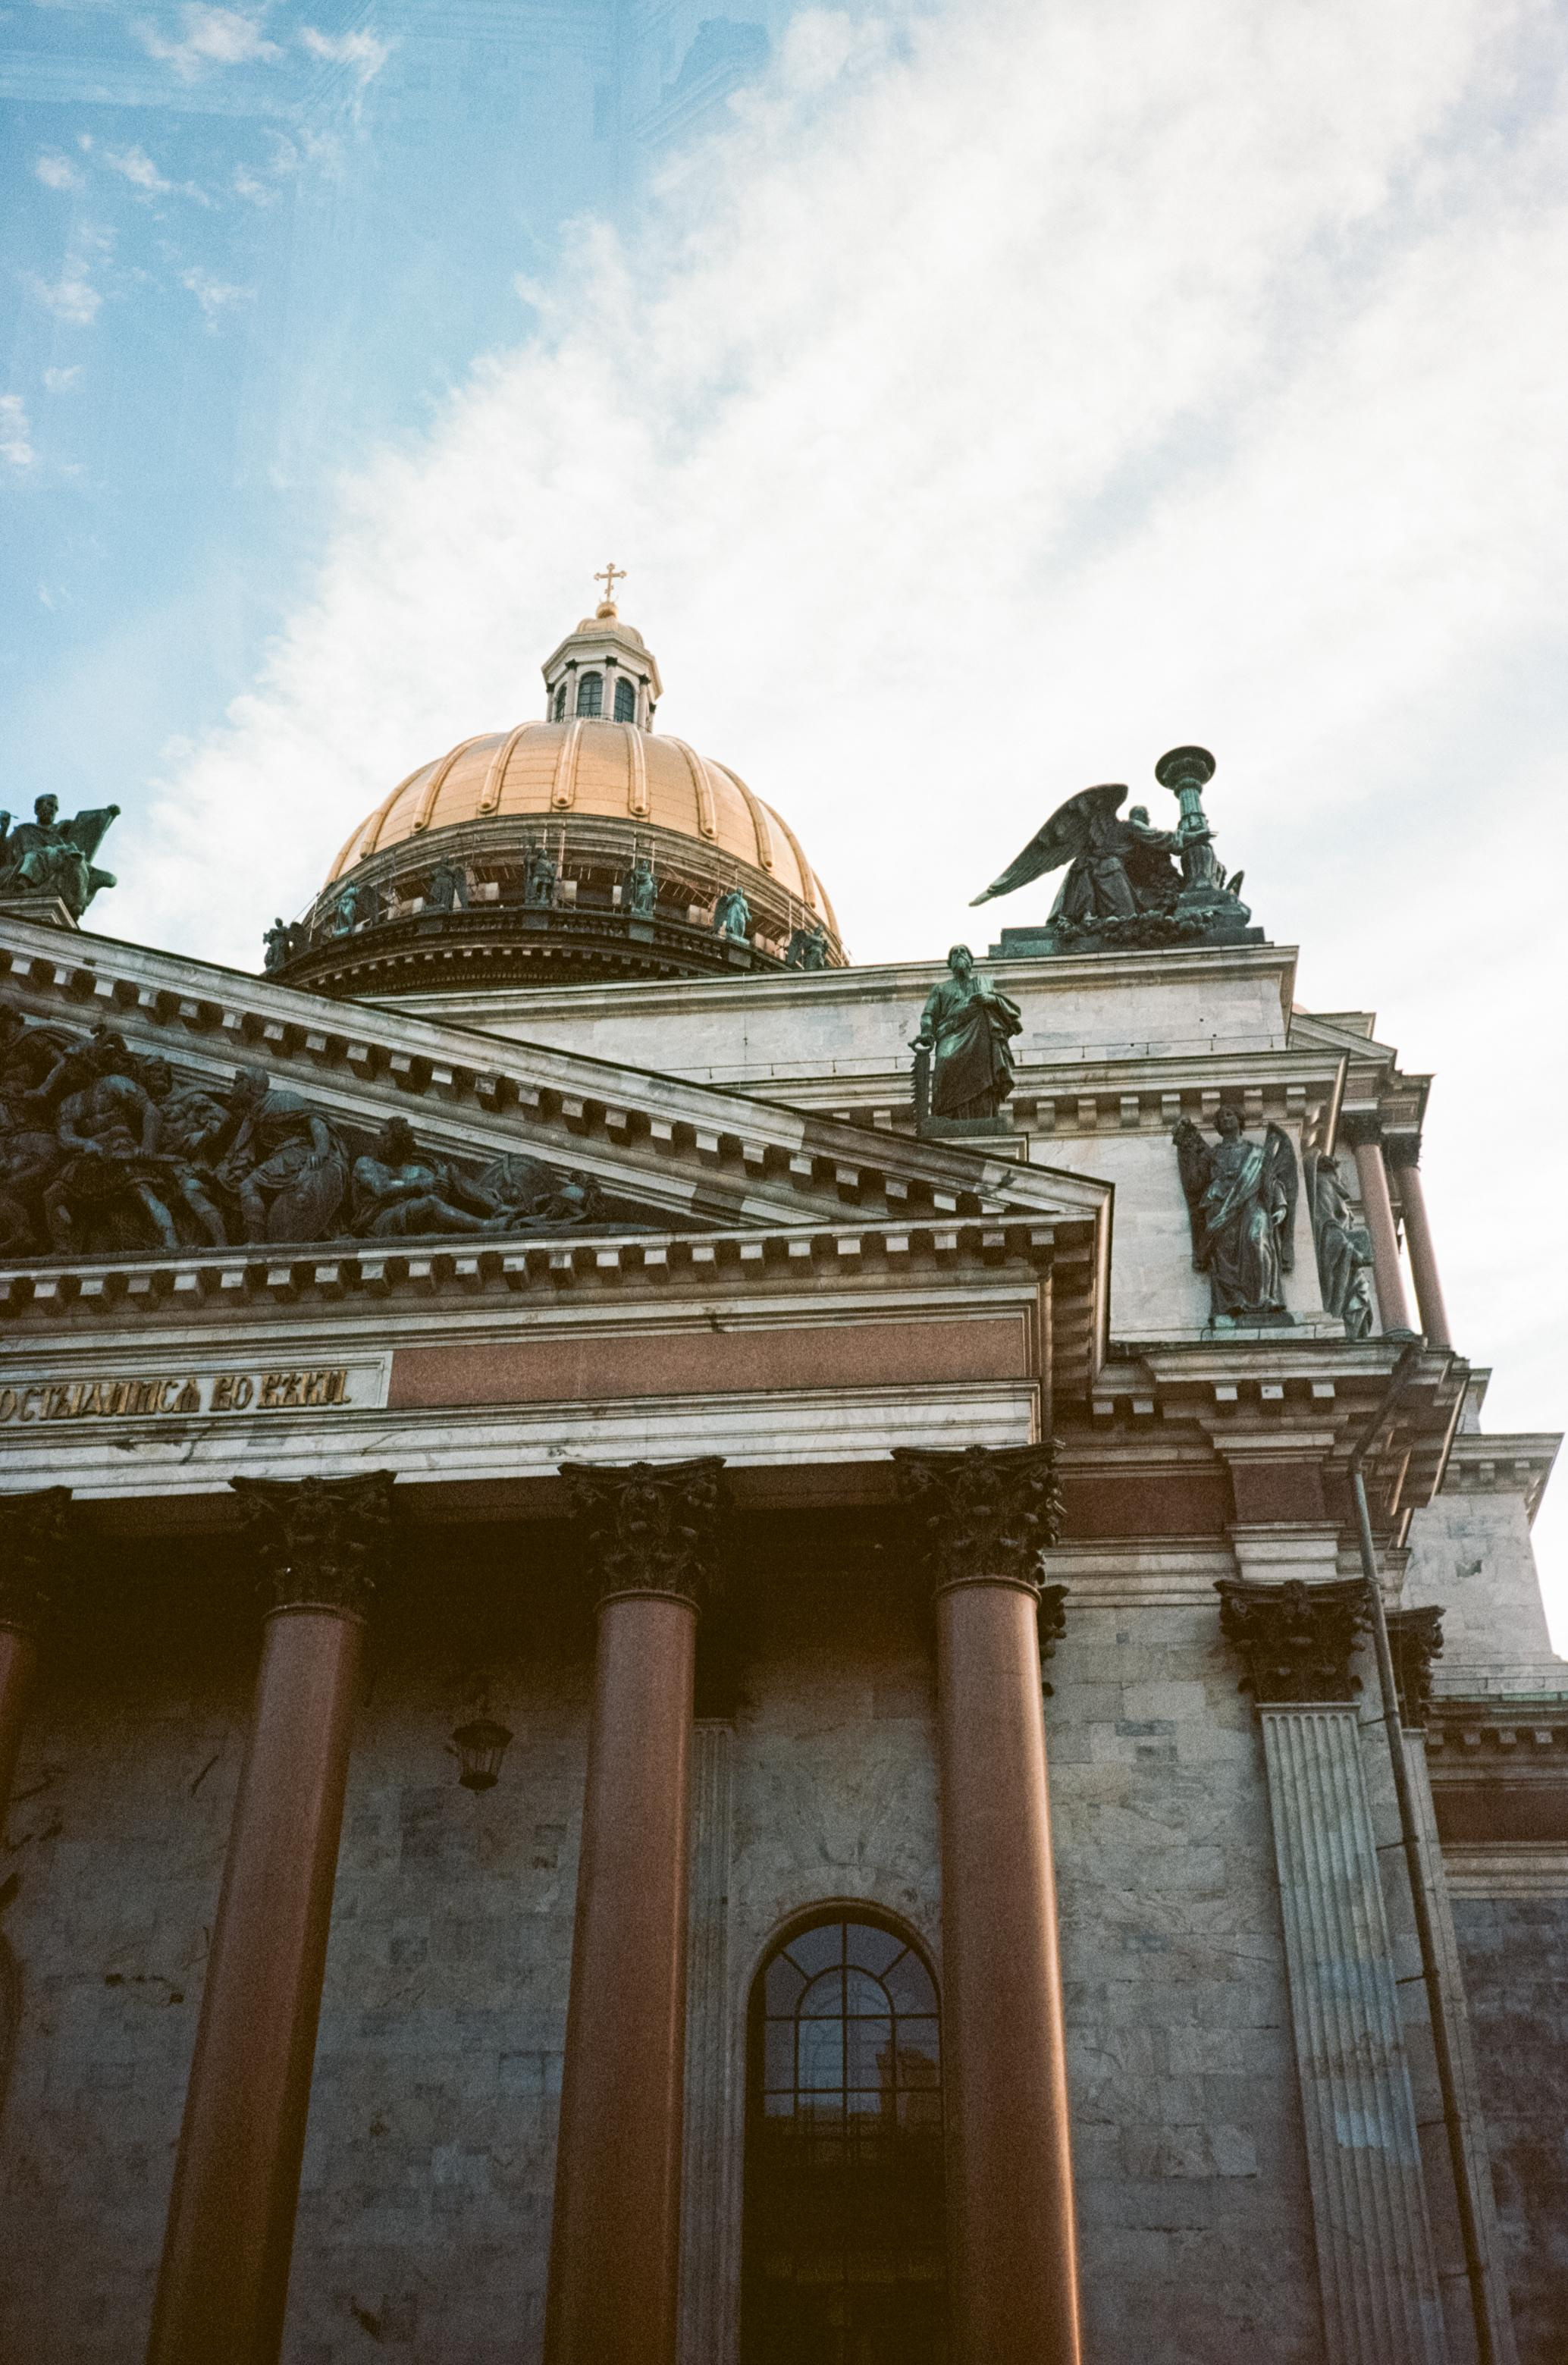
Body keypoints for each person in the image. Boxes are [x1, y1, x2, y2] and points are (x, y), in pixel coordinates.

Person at [1173, 1109, 1297, 1322]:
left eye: (1230, 1115)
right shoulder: (1212, 1154)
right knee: (1225, 1250)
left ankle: (1264, 1298)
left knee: (1257, 1239)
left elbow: (1270, 1178)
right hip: (1220, 1206)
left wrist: (1281, 1205)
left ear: (1240, 1121)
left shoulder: (1256, 1151)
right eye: (1221, 1117)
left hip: (1253, 1203)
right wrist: (1187, 1150)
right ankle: (1233, 1301)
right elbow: (1196, 1183)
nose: (1225, 1119)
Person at [912, 945, 1022, 1120]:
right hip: (949, 1034)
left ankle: (984, 1114)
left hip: (979, 1033)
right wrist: (927, 1032)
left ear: (971, 962)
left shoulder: (982, 982)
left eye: (963, 952)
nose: (959, 954)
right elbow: (929, 1015)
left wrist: (992, 999)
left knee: (983, 1068)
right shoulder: (940, 988)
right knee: (944, 1061)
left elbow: (1005, 1011)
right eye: (954, 953)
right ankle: (945, 1114)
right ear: (950, 964)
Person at [0, 794, 120, 919]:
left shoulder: (62, 827)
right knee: (33, 856)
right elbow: (3, 854)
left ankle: (87, 878)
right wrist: (4, 828)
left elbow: (89, 829)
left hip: (58, 860)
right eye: (49, 805)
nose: (53, 810)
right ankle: (24, 881)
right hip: (29, 862)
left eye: (55, 808)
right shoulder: (23, 830)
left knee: (65, 854)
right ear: (37, 809)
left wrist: (108, 815)